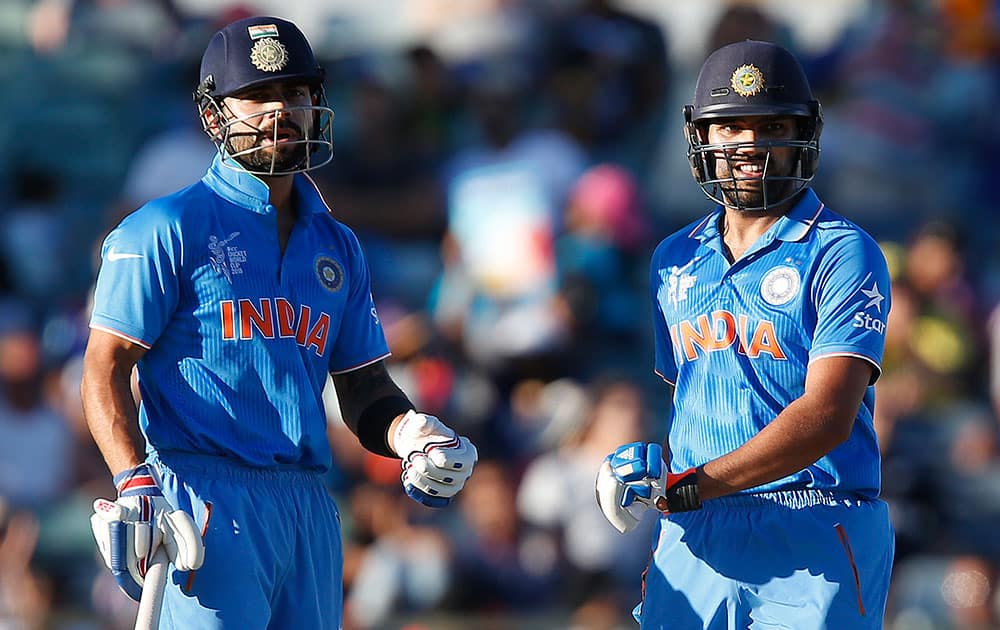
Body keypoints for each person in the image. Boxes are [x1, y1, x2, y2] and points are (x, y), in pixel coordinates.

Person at [80, 15, 477, 630]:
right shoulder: (165, 228)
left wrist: (411, 436)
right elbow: (104, 370)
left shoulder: (338, 246)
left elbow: (365, 390)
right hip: (202, 499)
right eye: (258, 96)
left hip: (309, 508)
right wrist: (133, 481)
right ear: (215, 117)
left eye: (295, 93)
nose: (279, 111)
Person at [595, 40, 894, 628]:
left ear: (804, 132)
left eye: (773, 125)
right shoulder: (671, 259)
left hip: (814, 524)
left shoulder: (842, 249)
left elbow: (826, 417)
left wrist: (693, 485)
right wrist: (653, 467)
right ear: (702, 136)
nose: (750, 144)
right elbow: (694, 401)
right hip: (696, 532)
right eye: (732, 126)